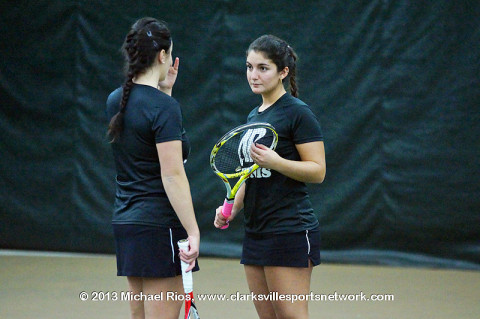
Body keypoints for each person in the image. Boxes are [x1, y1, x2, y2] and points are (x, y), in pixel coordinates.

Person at [214, 34, 326, 319]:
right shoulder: (254, 116)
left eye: (263, 68)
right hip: (256, 231)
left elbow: (318, 171)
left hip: (289, 229)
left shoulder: (298, 114)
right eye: (249, 67)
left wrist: (277, 162)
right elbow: (247, 176)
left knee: (291, 315)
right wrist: (231, 208)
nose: (253, 75)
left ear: (283, 72)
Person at [106, 17, 200, 319]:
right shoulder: (163, 108)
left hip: (127, 223)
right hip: (160, 225)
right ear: (162, 56)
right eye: (169, 53)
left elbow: (144, 146)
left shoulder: (115, 100)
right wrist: (193, 231)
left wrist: (166, 93)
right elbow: (171, 174)